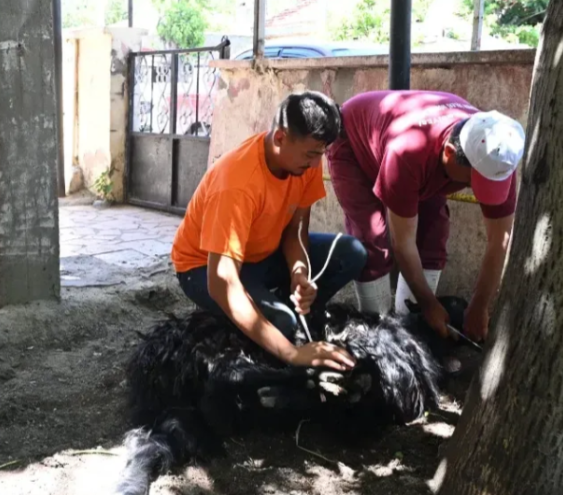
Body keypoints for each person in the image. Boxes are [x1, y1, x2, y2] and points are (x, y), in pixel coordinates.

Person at [172, 91, 368, 372]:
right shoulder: (237, 184)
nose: (316, 165)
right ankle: (255, 321)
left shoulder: (304, 157)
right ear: (279, 138)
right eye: (311, 155)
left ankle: (299, 313)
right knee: (282, 323)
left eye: (320, 155)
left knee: (352, 253)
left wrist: (299, 274)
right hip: (204, 268)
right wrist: (292, 354)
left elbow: (296, 230)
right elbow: (222, 282)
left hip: (262, 254)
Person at [326, 90, 525, 342]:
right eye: (472, 181)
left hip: (422, 154)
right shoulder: (408, 152)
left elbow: (500, 240)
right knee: (373, 239)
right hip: (354, 142)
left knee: (434, 233)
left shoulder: (498, 155)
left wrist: (480, 304)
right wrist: (429, 304)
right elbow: (403, 243)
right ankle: (378, 338)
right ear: (450, 153)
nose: (476, 190)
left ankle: (411, 334)